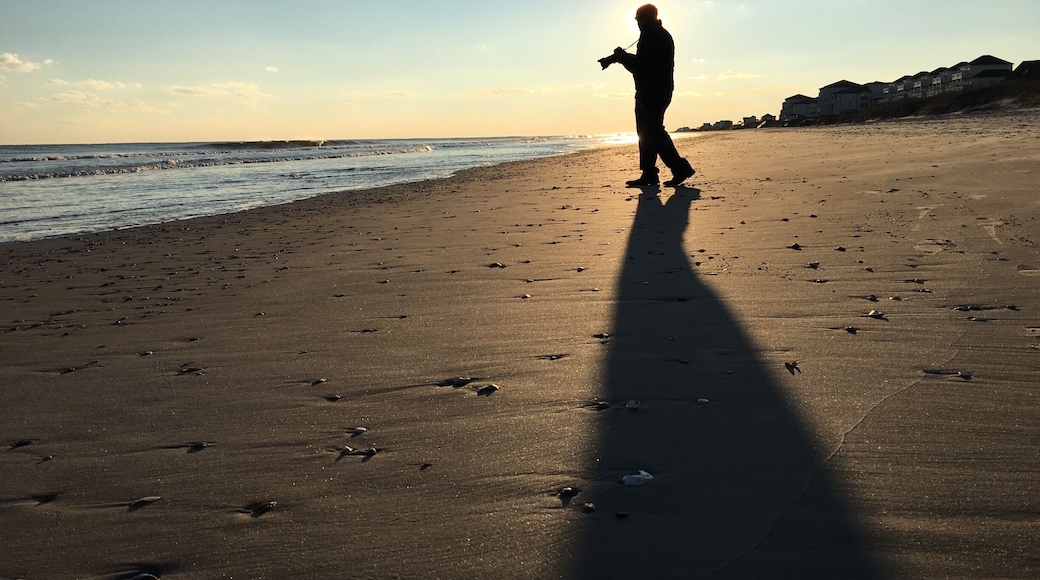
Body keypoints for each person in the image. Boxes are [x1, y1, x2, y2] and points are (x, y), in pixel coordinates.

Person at [604, 4, 695, 187]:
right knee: (645, 132)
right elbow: (641, 63)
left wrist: (621, 57)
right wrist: (619, 58)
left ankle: (679, 168)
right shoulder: (653, 34)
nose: (637, 23)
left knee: (653, 131)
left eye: (639, 19)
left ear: (647, 18)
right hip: (650, 90)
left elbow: (641, 65)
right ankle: (649, 174)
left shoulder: (655, 36)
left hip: (654, 90)